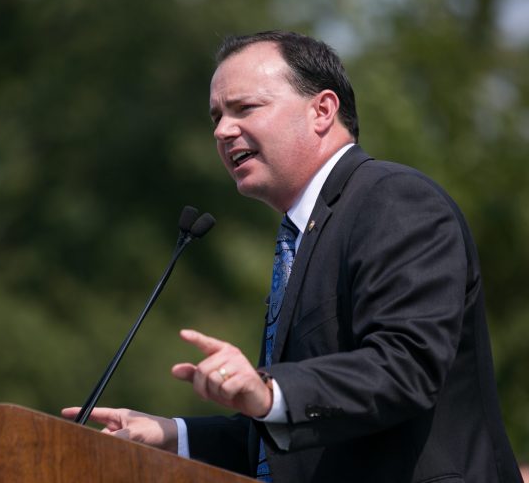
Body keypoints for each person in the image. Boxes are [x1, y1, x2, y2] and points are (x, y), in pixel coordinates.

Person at [62, 30, 522, 482]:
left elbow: (406, 366)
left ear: (322, 109)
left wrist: (269, 392)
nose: (222, 130)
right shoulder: (303, 235)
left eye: (245, 108)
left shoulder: (394, 201)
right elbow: (299, 440)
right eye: (217, 116)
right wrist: (172, 435)